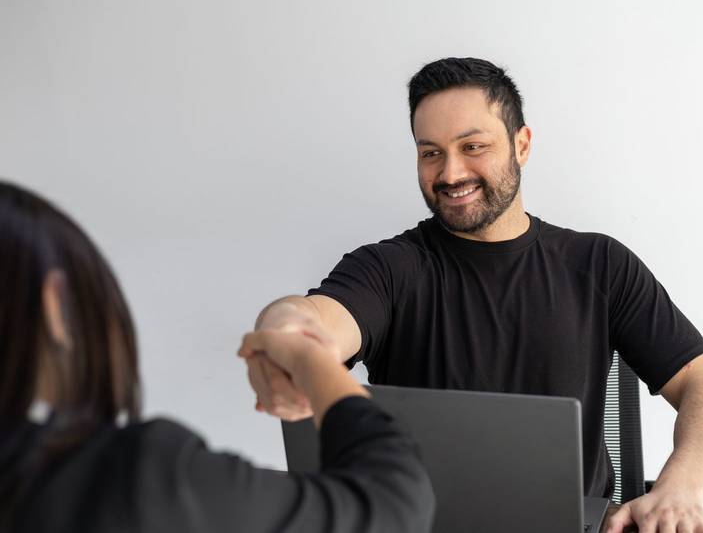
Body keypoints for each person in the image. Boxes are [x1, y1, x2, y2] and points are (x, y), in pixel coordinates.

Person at [248, 57, 703, 533]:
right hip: (413, 522)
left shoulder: (600, 264)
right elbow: (315, 318)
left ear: (521, 145)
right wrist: (281, 329)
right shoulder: (389, 267)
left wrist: (680, 489)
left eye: (473, 146)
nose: (450, 173)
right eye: (430, 152)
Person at [0, 181, 434, 533]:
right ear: (56, 305)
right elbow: (394, 502)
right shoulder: (126, 481)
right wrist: (306, 356)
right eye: (429, 151)